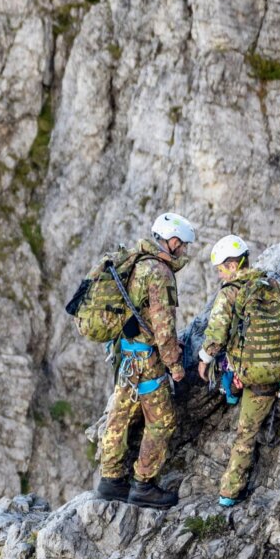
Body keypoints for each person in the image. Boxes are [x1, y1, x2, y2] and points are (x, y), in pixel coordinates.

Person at [93, 211, 196, 509]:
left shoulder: (137, 262)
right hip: (147, 361)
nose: (185, 251)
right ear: (173, 241)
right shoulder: (159, 273)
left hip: (126, 356)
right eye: (184, 245)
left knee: (120, 416)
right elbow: (163, 326)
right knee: (163, 421)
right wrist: (175, 365)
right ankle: (143, 485)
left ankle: (110, 480)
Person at [198, 234, 280, 508]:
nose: (220, 275)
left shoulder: (230, 292)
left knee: (245, 436)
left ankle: (229, 493)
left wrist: (203, 359)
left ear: (232, 265)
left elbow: (216, 333)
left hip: (253, 376)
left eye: (220, 269)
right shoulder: (273, 285)